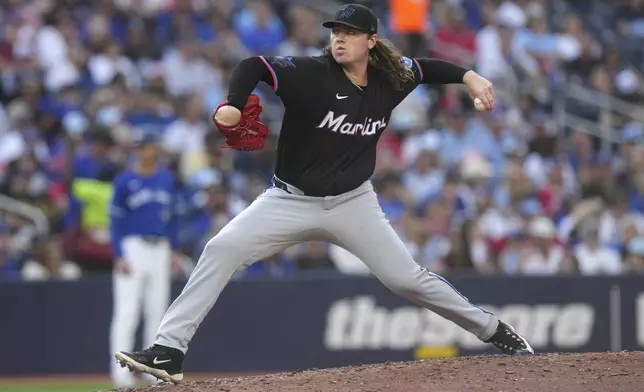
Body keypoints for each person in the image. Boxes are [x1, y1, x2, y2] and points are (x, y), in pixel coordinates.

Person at [115, 4, 534, 384]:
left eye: (350, 32)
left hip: (353, 202)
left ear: (371, 42)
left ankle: (494, 330)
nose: (339, 37)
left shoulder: (391, 78)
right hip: (289, 201)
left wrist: (470, 76)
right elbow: (254, 64)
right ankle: (170, 351)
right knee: (220, 249)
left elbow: (426, 67)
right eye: (336, 30)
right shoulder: (310, 74)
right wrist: (235, 102)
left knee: (406, 279)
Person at [109, 132, 181, 388]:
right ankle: (121, 375)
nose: (144, 151)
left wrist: (174, 251)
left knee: (158, 314)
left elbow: (173, 219)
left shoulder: (166, 179)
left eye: (148, 146)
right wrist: (118, 253)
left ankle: (155, 372)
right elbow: (115, 221)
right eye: (139, 147)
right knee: (127, 312)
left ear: (155, 149)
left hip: (160, 247)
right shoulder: (124, 180)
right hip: (133, 247)